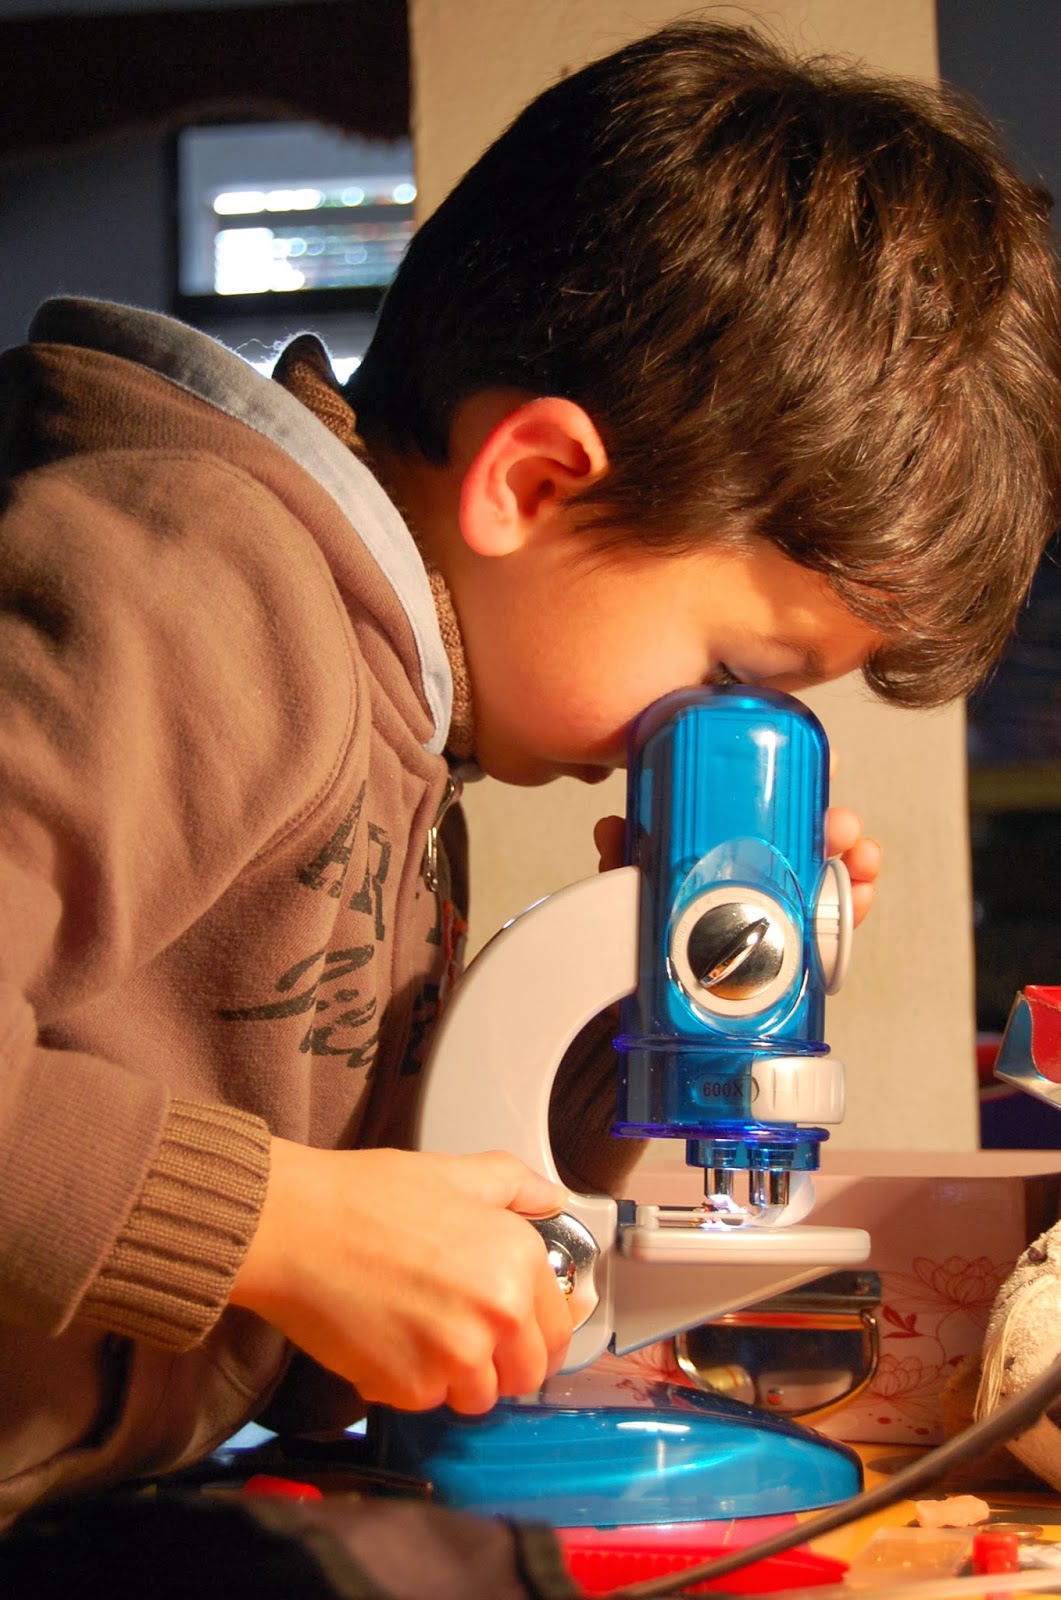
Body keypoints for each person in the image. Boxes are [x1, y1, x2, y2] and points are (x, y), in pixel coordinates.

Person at [1, 19, 1059, 1524]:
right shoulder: (194, 598)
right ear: (535, 482)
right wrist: (281, 1227)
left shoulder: (397, 718)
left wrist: (646, 1002)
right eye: (734, 678)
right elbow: (290, 1230)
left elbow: (354, 1290)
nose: (709, 741)